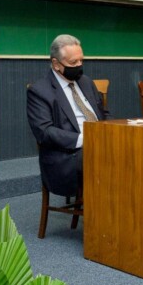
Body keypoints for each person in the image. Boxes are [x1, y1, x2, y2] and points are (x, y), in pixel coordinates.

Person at [27, 34, 107, 199]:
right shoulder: (40, 90)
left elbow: (103, 114)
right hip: (67, 155)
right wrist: (86, 139)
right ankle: (104, 215)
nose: (79, 66)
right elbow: (45, 132)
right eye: (73, 63)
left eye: (81, 61)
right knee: (109, 161)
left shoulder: (85, 82)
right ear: (56, 64)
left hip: (99, 143)